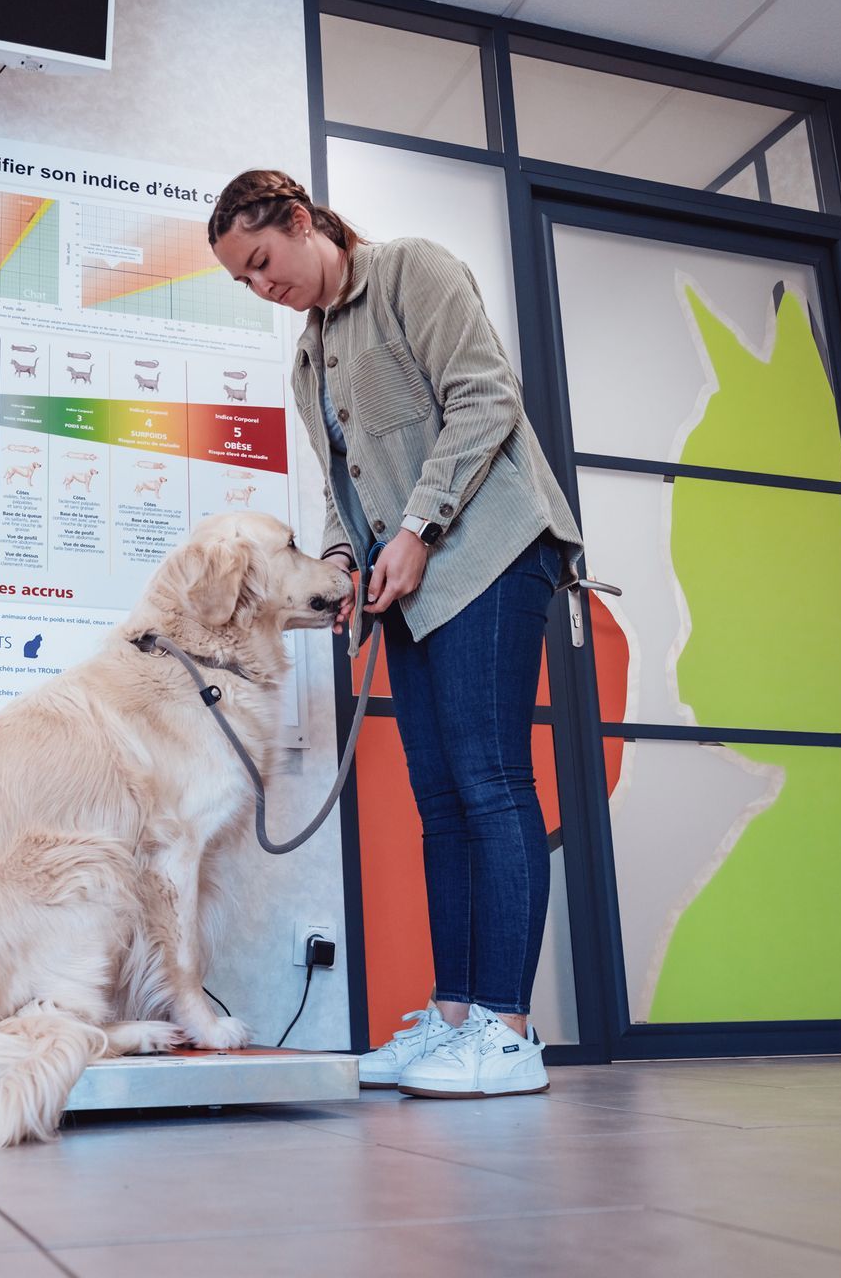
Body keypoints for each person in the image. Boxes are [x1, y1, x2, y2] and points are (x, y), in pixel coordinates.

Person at [208, 171, 584, 1099]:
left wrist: (416, 529)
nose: (261, 286)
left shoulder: (413, 270)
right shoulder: (309, 360)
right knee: (440, 801)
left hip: (489, 552)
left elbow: (487, 399)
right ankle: (452, 1019)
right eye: (243, 280)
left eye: (262, 261)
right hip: (408, 589)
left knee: (491, 782)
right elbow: (345, 492)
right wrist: (342, 566)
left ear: (302, 222)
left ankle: (507, 1032)